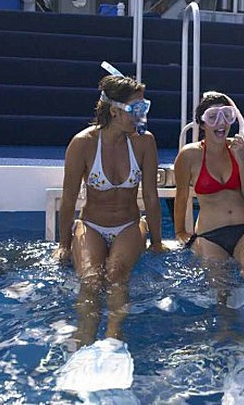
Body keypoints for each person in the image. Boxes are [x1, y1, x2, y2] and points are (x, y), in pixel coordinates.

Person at [53, 74, 163, 347]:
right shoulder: (83, 143)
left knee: (116, 273)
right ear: (114, 111)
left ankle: (114, 337)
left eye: (144, 107)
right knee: (90, 280)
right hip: (91, 225)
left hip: (129, 225)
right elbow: (69, 200)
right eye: (136, 108)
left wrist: (157, 242)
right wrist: (64, 245)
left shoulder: (144, 142)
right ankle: (84, 337)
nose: (142, 114)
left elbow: (151, 196)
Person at [174, 91, 244, 283]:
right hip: (210, 235)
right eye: (213, 117)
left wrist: (241, 160)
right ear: (202, 123)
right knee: (220, 289)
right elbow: (181, 196)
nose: (221, 123)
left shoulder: (243, 147)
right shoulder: (189, 155)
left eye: (226, 115)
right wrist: (180, 232)